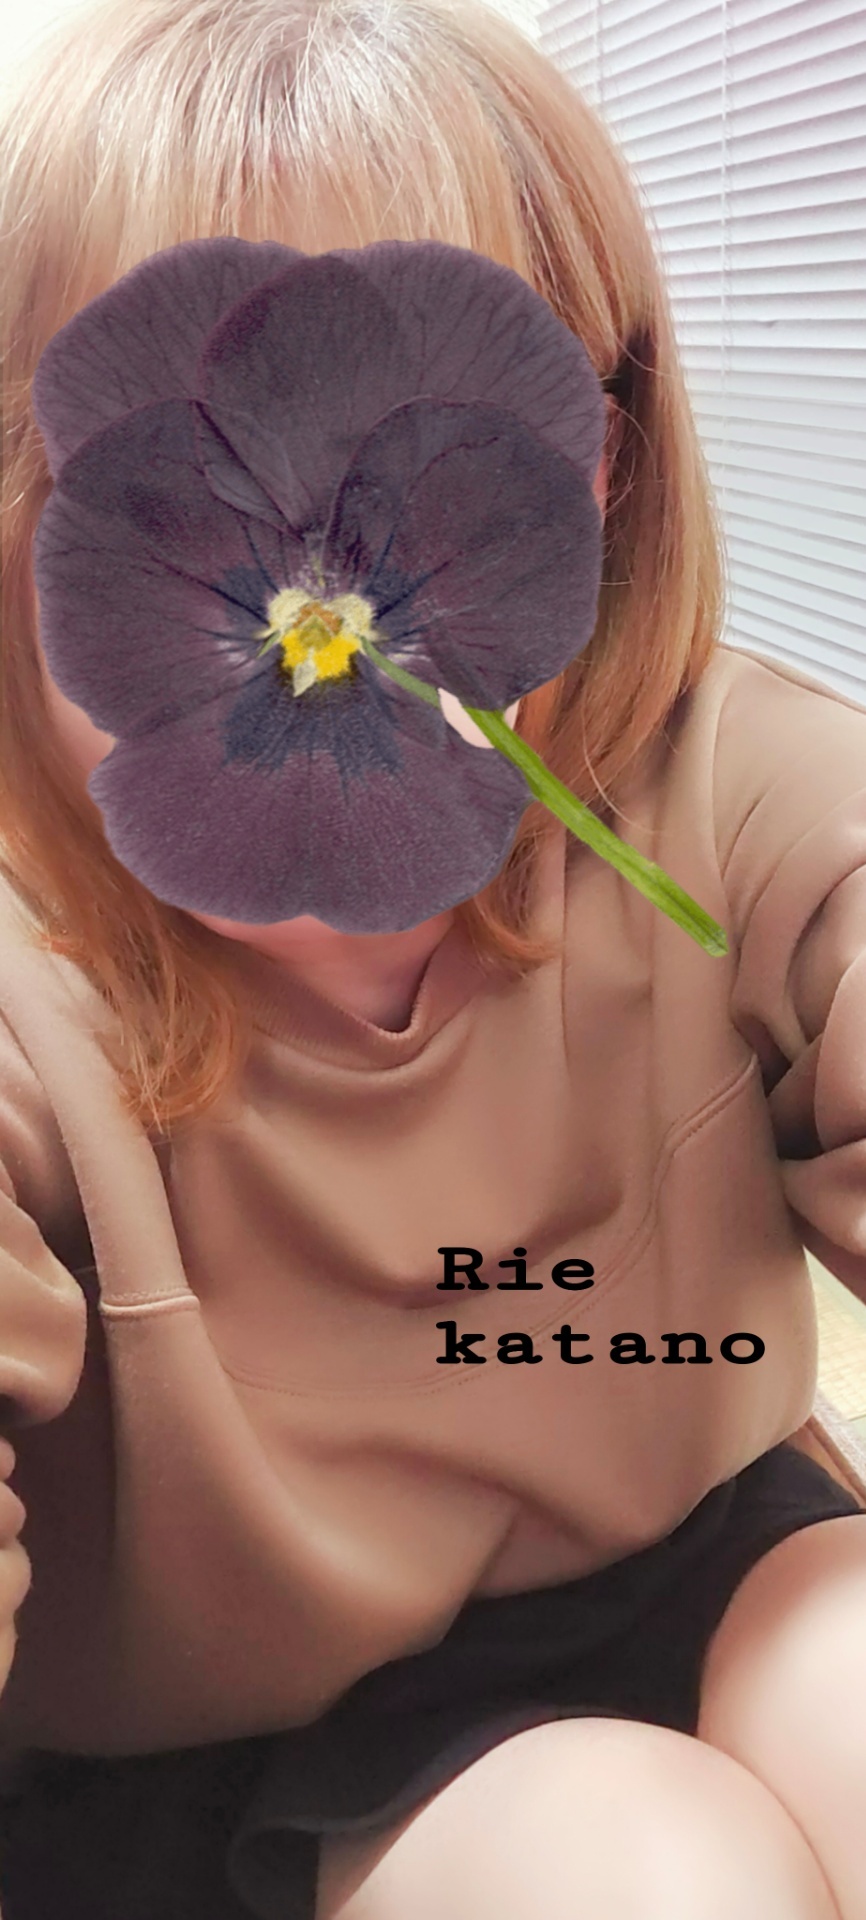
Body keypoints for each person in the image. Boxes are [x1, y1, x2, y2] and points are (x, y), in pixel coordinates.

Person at [0, 1, 866, 1916]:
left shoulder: (729, 793)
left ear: (599, 474)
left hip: (705, 1558)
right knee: (644, 1874)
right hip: (208, 1753)